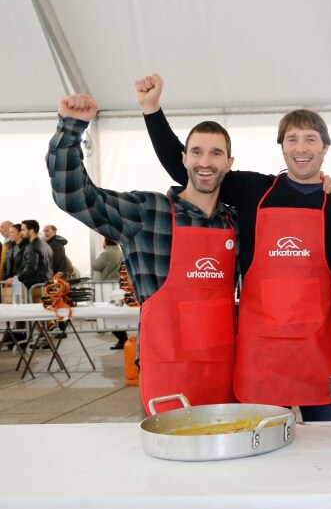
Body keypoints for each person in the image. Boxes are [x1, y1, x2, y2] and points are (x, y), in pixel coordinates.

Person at [136, 73, 331, 421]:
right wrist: (152, 111)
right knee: (263, 447)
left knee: (329, 445)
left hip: (319, 350)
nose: (301, 148)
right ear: (282, 147)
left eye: (310, 139)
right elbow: (193, 170)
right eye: (292, 139)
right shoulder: (254, 190)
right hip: (262, 354)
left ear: (325, 147)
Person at [48, 93, 239, 415]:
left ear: (229, 163)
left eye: (216, 153)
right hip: (168, 371)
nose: (205, 161)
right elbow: (73, 195)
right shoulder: (147, 212)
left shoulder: (236, 222)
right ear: (184, 159)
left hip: (227, 370)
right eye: (197, 152)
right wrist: (71, 127)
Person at [92, 237, 129, 349]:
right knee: (119, 312)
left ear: (106, 241)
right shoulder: (121, 251)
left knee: (110, 314)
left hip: (107, 286)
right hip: (121, 284)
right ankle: (123, 338)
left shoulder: (106, 253)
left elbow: (96, 266)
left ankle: (122, 339)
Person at [9, 220, 54, 298]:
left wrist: (15, 278)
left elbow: (31, 268)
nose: (21, 232)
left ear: (31, 231)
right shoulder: (46, 245)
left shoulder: (32, 246)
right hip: (45, 286)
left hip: (35, 289)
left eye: (23, 230)